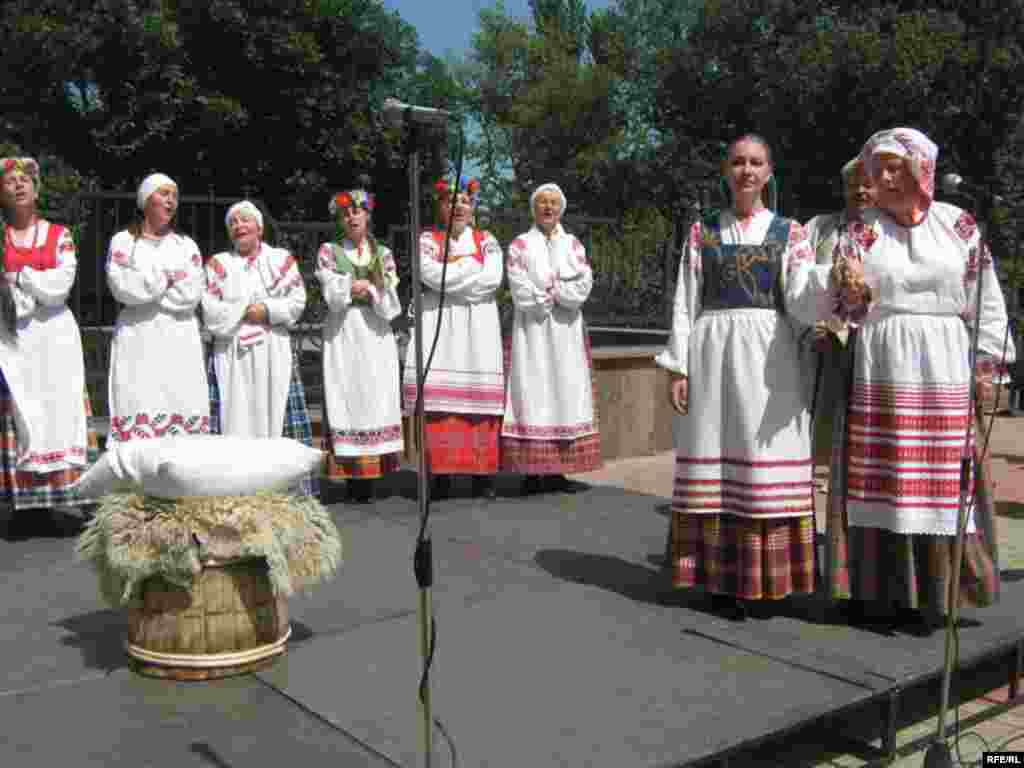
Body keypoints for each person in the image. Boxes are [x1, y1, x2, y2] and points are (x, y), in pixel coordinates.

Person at [825, 128, 1015, 633]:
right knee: (885, 476)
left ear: (920, 169)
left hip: (945, 362)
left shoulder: (959, 225)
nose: (881, 176)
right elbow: (843, 308)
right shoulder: (859, 229)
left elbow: (985, 298)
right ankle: (880, 595)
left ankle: (941, 593)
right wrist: (847, 293)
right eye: (876, 167)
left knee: (941, 479)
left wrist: (988, 365)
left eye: (893, 166)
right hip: (882, 361)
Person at [656, 134, 829, 620]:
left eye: (755, 163)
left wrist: (832, 283)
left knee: (761, 454)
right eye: (737, 162)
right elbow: (685, 301)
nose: (746, 171)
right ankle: (716, 580)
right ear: (725, 171)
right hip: (712, 353)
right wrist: (679, 366)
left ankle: (765, 579)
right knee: (716, 453)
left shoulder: (790, 233)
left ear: (769, 172)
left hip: (769, 358)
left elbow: (799, 294)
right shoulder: (702, 232)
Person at [0, 156, 97, 533]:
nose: (19, 186)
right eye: (11, 182)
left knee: (61, 409)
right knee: (23, 414)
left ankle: (73, 498)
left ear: (37, 189)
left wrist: (21, 274)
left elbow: (60, 287)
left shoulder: (60, 235)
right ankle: (27, 509)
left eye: (26, 180)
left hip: (54, 337)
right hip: (14, 340)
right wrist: (32, 282)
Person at [202, 200, 317, 496]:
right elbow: (210, 312)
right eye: (234, 223)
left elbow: (296, 301)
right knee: (235, 414)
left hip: (271, 349)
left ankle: (280, 489)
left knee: (273, 411)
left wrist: (265, 309)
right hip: (232, 354)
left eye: (245, 221)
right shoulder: (218, 265)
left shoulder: (280, 260)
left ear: (260, 227)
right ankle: (234, 488)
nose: (240, 226)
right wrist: (243, 308)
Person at [402, 177, 504, 500]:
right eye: (451, 201)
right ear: (441, 207)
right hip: (440, 325)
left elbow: (493, 278)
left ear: (472, 208)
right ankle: (440, 476)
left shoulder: (486, 239)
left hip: (478, 328)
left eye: (464, 201)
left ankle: (481, 475)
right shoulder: (428, 239)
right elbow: (428, 273)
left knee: (480, 401)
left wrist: (452, 273)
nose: (458, 206)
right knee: (439, 404)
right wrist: (470, 270)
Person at [501, 182, 602, 493]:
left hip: (565, 332)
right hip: (532, 331)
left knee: (564, 390)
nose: (548, 208)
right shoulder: (520, 244)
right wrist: (545, 295)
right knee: (532, 390)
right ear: (534, 208)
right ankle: (531, 471)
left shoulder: (573, 244)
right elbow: (518, 285)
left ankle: (559, 470)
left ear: (561, 209)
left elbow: (585, 282)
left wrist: (556, 290)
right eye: (542, 202)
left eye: (553, 203)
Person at [316, 185, 403, 503]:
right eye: (347, 212)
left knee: (374, 392)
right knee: (347, 391)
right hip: (345, 331)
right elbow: (332, 292)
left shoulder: (383, 254)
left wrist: (369, 289)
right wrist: (360, 286)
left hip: (375, 333)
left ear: (368, 215)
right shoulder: (329, 251)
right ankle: (351, 475)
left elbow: (390, 300)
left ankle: (373, 474)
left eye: (358, 210)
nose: (353, 216)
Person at [107, 173, 209, 441]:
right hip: (138, 337)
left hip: (179, 337)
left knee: (180, 401)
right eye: (164, 194)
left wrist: (150, 287)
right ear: (145, 200)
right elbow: (123, 287)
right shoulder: (123, 242)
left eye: (174, 196)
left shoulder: (186, 246)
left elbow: (192, 293)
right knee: (139, 397)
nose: (170, 201)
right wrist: (167, 279)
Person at [803, 158, 877, 495]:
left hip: (875, 339)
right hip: (825, 340)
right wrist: (813, 319)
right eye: (853, 184)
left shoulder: (891, 230)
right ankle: (819, 465)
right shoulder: (819, 227)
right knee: (825, 406)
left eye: (867, 183)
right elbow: (798, 278)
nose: (860, 190)